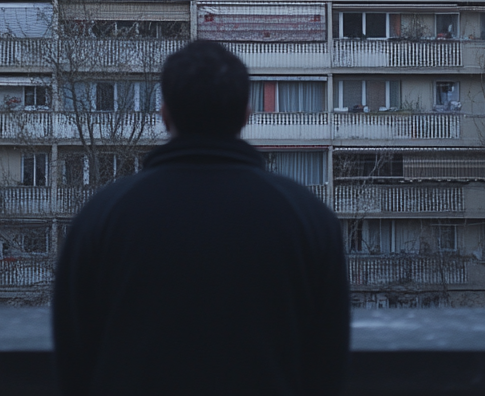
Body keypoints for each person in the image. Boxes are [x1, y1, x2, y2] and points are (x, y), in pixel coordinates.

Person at [53, 40, 349, 396]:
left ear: (165, 115)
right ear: (246, 115)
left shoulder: (102, 216)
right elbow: (328, 367)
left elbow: (72, 362)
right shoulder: (310, 219)